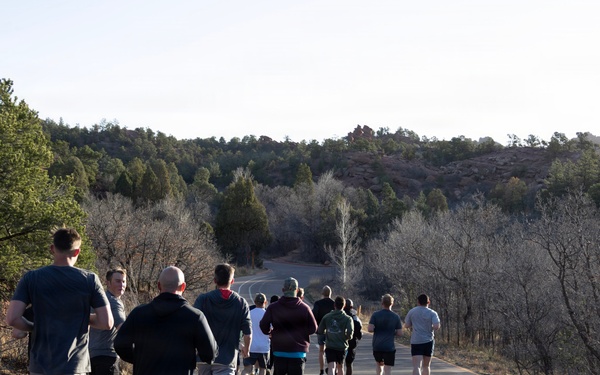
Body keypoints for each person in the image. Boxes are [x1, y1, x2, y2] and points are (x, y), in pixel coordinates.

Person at [6, 227, 113, 375]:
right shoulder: (90, 279)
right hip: (74, 366)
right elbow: (106, 322)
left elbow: (12, 319)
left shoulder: (31, 278)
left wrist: (35, 326)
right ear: (77, 252)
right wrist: (79, 319)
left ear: (52, 249)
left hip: (40, 366)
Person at [114, 266, 217, 375]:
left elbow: (120, 344)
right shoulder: (195, 317)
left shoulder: (139, 313)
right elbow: (209, 354)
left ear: (159, 285)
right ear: (183, 287)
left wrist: (139, 359)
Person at [194, 263, 252, 375]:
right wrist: (247, 349)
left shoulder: (203, 300)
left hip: (203, 357)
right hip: (226, 359)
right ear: (232, 281)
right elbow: (248, 333)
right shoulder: (240, 303)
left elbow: (192, 325)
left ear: (215, 280)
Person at [260, 277, 317, 375]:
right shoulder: (305, 308)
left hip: (279, 351)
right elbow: (313, 328)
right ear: (297, 290)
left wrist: (270, 332)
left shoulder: (273, 307)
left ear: (283, 290)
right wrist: (302, 332)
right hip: (298, 353)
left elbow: (263, 325)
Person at [89, 268, 128, 375]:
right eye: (117, 281)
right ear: (108, 283)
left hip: (91, 358)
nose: (122, 285)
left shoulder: (98, 300)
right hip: (108, 358)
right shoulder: (114, 302)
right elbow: (123, 329)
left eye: (123, 281)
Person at [404, 294, 441, 375]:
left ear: (418, 302)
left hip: (416, 341)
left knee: (416, 366)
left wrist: (413, 324)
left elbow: (406, 325)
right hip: (428, 341)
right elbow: (436, 326)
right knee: (426, 366)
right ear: (428, 302)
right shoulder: (432, 313)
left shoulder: (412, 311)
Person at [317, 296, 354, 375]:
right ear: (343, 306)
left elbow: (319, 331)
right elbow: (350, 333)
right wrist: (346, 337)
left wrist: (327, 332)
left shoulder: (327, 317)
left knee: (331, 366)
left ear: (334, 305)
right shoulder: (348, 319)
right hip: (341, 346)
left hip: (330, 345)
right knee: (340, 366)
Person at [367, 294, 403, 375]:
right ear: (392, 303)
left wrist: (377, 329)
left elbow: (370, 329)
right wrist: (392, 332)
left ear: (382, 303)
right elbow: (400, 333)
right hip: (389, 346)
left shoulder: (375, 315)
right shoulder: (395, 316)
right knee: (388, 369)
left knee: (378, 365)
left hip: (377, 345)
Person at [243, 293, 270, 375]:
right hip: (264, 347)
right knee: (262, 369)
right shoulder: (268, 314)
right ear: (265, 302)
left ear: (255, 302)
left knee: (247, 370)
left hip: (251, 346)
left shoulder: (249, 313)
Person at [312, 285, 335, 375]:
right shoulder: (334, 303)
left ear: (322, 293)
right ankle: (330, 369)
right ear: (330, 293)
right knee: (331, 349)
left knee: (321, 350)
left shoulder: (318, 303)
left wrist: (316, 326)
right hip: (332, 330)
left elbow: (314, 315)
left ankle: (321, 370)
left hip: (321, 329)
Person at [343, 299, 363, 375]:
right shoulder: (355, 318)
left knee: (338, 363)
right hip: (351, 344)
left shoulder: (339, 316)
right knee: (349, 364)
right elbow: (359, 334)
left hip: (339, 342)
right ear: (351, 307)